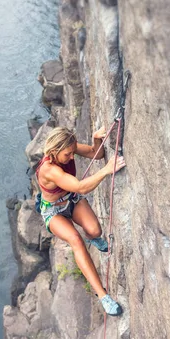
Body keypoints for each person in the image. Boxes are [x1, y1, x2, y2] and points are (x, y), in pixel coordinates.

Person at [35, 126, 126, 316]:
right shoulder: (49, 170)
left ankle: (92, 238)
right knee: (75, 240)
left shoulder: (68, 148)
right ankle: (103, 296)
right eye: (67, 154)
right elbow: (81, 187)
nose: (71, 157)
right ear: (54, 152)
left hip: (71, 200)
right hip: (53, 211)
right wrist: (106, 171)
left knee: (95, 231)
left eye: (72, 152)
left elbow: (96, 154)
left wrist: (96, 140)